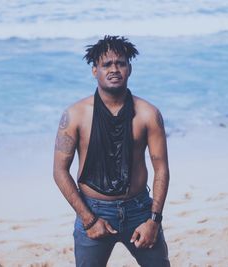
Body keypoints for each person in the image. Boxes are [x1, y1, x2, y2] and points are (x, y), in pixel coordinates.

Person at [53, 35, 170, 267]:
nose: (114, 69)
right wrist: (88, 220)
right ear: (94, 71)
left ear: (130, 69)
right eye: (107, 64)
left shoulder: (148, 114)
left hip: (139, 210)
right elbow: (59, 171)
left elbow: (162, 170)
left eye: (121, 63)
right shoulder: (75, 115)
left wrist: (154, 221)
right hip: (93, 210)